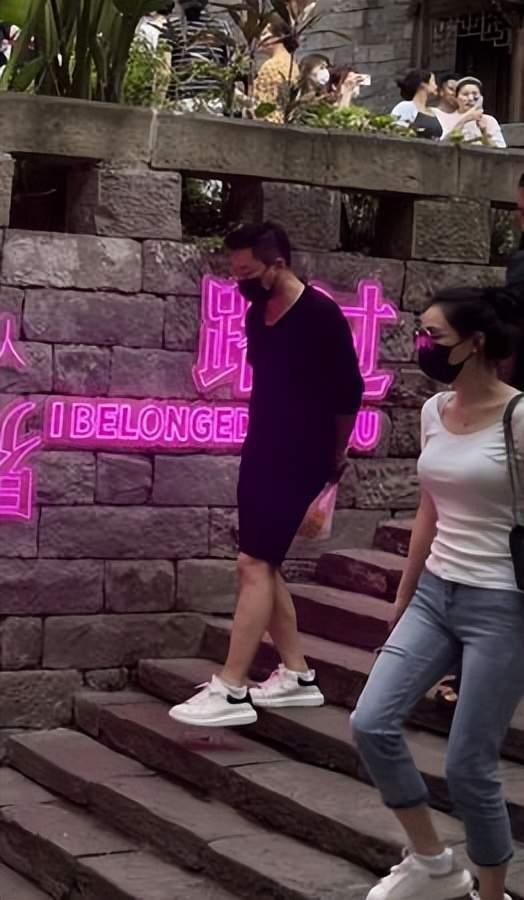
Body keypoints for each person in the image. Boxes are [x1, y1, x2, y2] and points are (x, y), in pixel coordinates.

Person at [351, 284, 524, 900]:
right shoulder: (434, 410)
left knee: (468, 765)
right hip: (435, 594)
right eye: (420, 332)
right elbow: (429, 506)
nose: (421, 344)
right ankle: (433, 863)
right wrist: (405, 592)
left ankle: (491, 894)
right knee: (371, 723)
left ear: (475, 343)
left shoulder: (519, 417)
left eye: (433, 336)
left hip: (501, 602)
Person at [170, 222, 364, 728]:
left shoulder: (321, 315)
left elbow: (349, 392)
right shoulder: (258, 313)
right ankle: (297, 674)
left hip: (305, 453)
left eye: (248, 272)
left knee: (253, 563)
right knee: (261, 562)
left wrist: (336, 452)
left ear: (277, 264)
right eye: (234, 272)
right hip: (262, 449)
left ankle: (231, 687)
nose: (240, 281)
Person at [162, 0, 231, 111]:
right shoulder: (220, 26)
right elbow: (227, 66)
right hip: (194, 100)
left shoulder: (220, 27)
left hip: (206, 100)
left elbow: (164, 69)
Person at [252, 14, 299, 123]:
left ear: (279, 36)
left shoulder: (271, 66)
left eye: (264, 34)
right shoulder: (292, 63)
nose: (260, 39)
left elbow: (263, 107)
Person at [439, 77, 506, 149]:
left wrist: (484, 131)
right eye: (465, 94)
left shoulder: (489, 120)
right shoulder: (447, 118)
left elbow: (500, 149)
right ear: (456, 98)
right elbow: (441, 145)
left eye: (475, 94)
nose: (471, 98)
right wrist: (464, 120)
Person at [391, 69, 442, 139]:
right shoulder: (406, 107)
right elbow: (397, 130)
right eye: (433, 82)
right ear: (423, 84)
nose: (436, 86)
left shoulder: (433, 112)